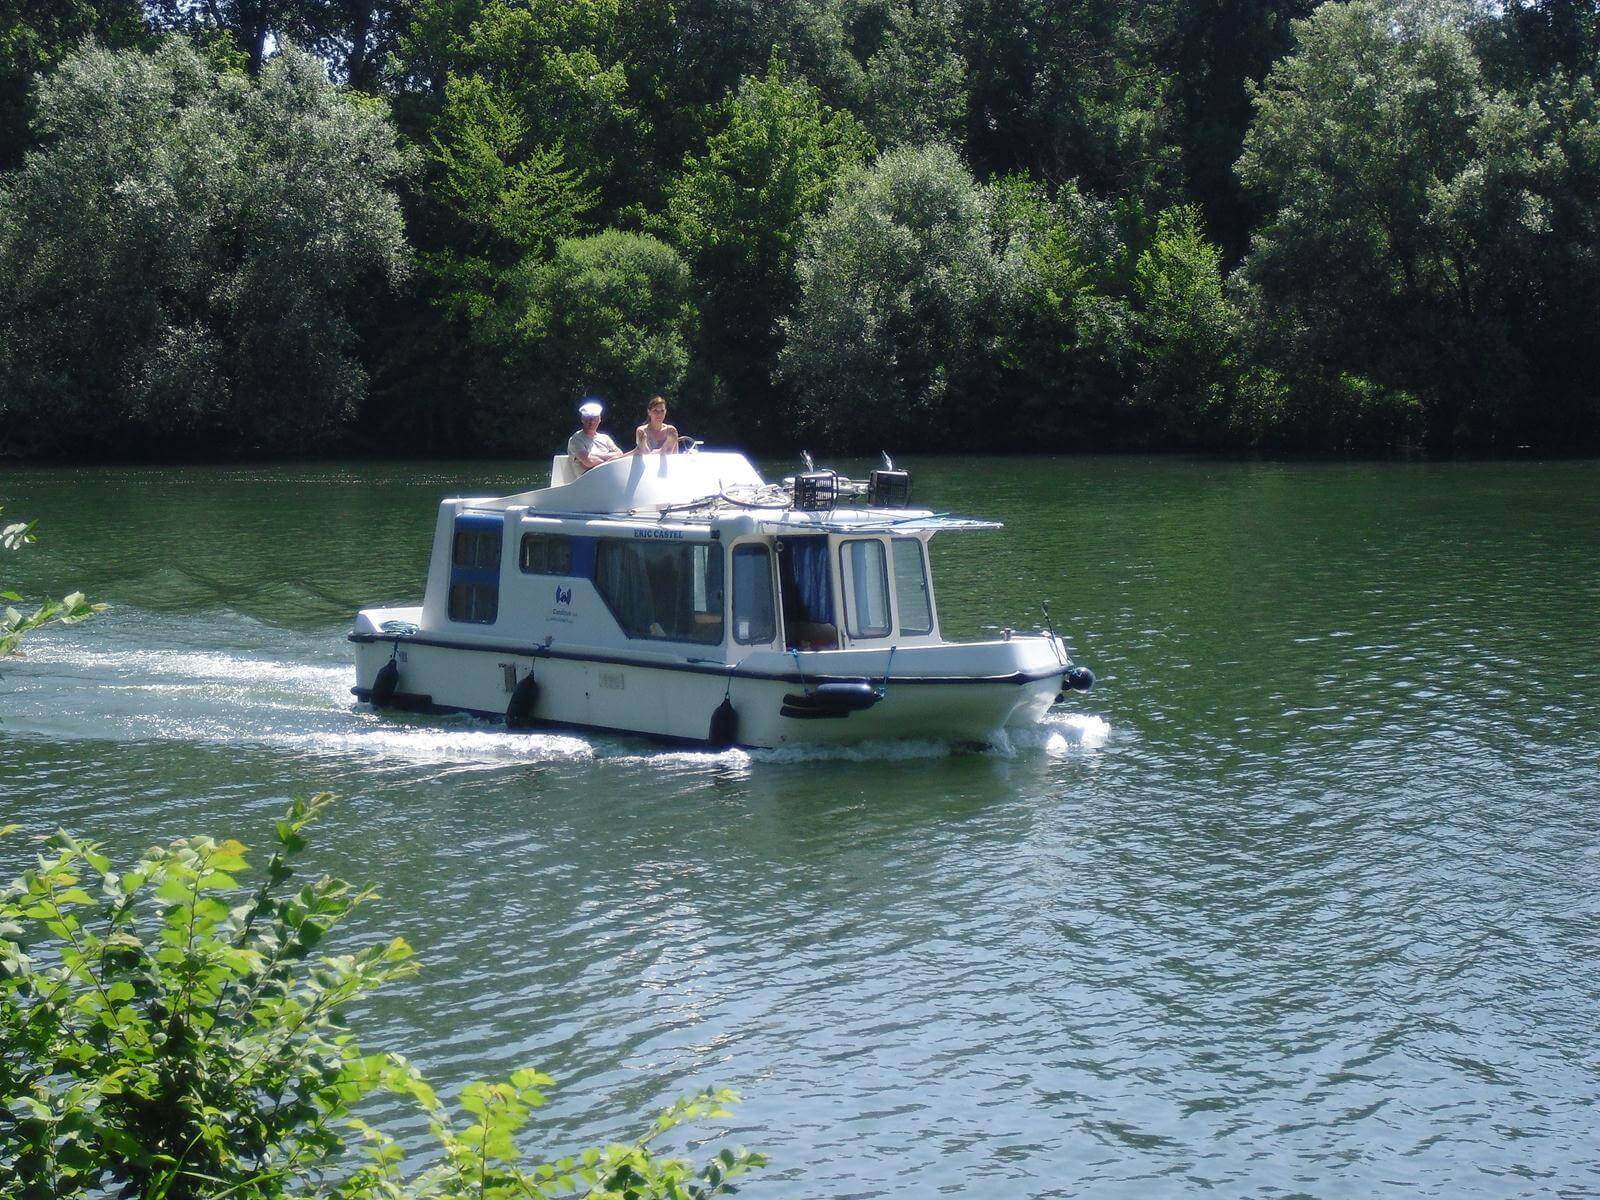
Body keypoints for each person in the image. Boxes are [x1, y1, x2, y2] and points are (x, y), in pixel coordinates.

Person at [567, 399, 626, 473]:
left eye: (595, 419)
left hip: (608, 476)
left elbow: (619, 454)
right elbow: (589, 461)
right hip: (587, 481)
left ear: (599, 420)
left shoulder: (605, 438)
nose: (591, 422)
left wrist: (594, 455)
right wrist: (611, 459)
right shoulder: (575, 440)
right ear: (582, 419)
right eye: (588, 419)